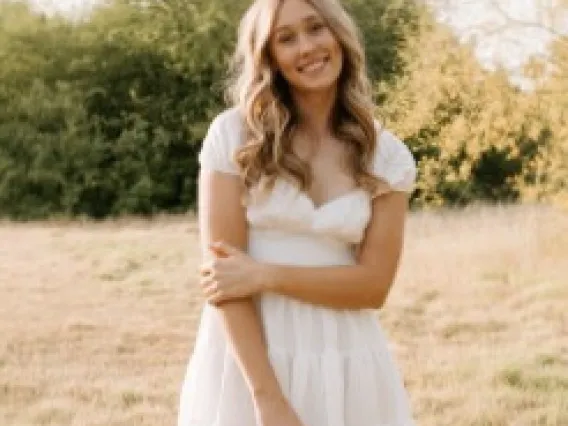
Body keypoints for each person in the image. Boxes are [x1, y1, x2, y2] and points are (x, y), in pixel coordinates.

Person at [177, 0, 417, 425]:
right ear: (269, 58)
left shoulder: (387, 156)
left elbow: (374, 286)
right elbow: (225, 279)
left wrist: (267, 274)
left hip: (346, 356)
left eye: (315, 28)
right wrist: (266, 398)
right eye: (286, 39)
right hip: (249, 359)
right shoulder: (233, 136)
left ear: (339, 36)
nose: (306, 47)